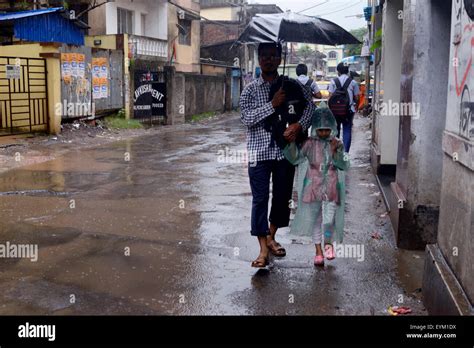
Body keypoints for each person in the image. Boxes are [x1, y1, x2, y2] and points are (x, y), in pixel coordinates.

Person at [240, 42, 315, 268]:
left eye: (273, 55)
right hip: (259, 153)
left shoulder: (291, 85)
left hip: (285, 152)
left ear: (280, 59)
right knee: (260, 199)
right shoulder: (250, 90)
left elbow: (310, 106)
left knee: (282, 198)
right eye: (264, 56)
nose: (268, 59)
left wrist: (299, 126)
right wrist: (272, 105)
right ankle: (263, 248)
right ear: (259, 59)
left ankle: (272, 236)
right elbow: (246, 119)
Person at [283, 103, 349, 266]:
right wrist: (291, 144)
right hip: (313, 187)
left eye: (327, 129)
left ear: (332, 127)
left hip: (332, 186)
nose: (324, 133)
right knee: (316, 219)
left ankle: (328, 245)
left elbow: (345, 164)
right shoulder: (309, 143)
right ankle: (318, 251)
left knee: (329, 218)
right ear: (315, 129)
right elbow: (296, 158)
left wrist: (336, 152)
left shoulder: (337, 143)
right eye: (321, 130)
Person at [328, 63, 360, 152]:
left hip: (335, 111)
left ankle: (336, 152)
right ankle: (345, 153)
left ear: (338, 72)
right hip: (348, 110)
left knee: (335, 131)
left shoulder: (333, 81)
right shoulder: (353, 82)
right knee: (347, 130)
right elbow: (357, 97)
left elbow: (330, 97)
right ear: (347, 71)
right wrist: (355, 106)